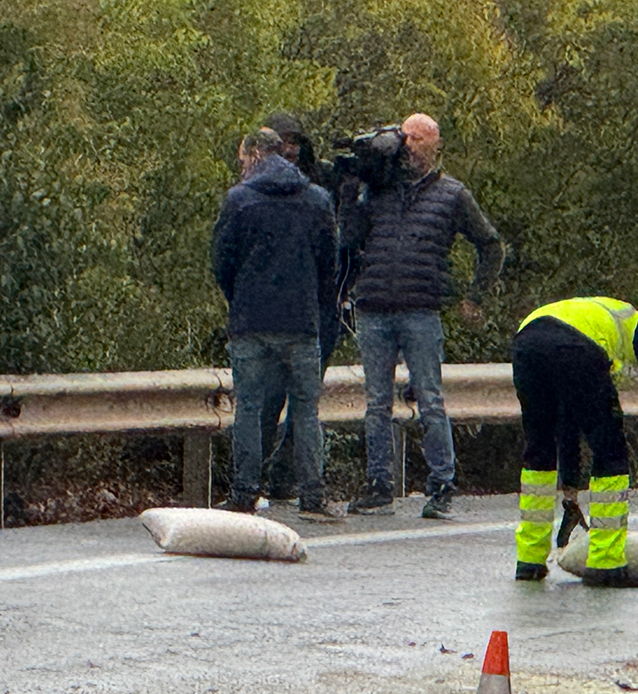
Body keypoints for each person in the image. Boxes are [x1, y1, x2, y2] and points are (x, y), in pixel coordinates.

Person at [340, 113, 504, 519]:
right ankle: (379, 485)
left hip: (421, 309)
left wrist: (475, 296)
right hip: (374, 306)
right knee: (376, 403)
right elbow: (347, 238)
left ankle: (442, 483)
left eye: (417, 139)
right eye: (405, 137)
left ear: (435, 145)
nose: (408, 145)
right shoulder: (378, 189)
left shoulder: (452, 194)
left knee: (430, 400)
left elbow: (491, 244)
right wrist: (351, 191)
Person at [511, 296, 638, 585]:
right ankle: (605, 563)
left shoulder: (600, 314)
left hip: (526, 341)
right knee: (609, 449)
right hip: (576, 346)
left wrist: (570, 493)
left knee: (539, 448)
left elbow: (567, 423)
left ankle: (530, 560)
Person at [211, 128, 339, 519]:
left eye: (241, 158)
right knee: (306, 410)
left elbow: (222, 261)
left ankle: (245, 492)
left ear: (253, 154)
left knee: (248, 406)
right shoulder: (316, 199)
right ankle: (312, 496)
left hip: (251, 320)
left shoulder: (240, 200)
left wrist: (240, 298)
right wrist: (313, 302)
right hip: (301, 321)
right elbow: (328, 262)